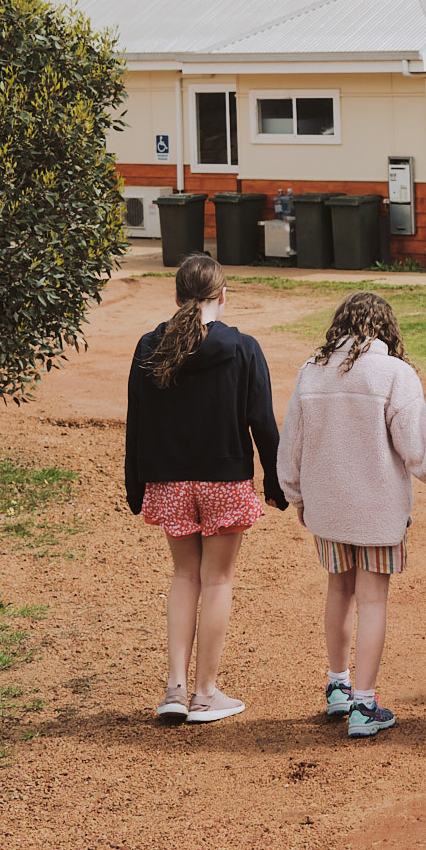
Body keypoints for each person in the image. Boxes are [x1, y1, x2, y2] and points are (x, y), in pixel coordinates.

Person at [277, 292, 426, 740]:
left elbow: (290, 445)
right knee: (372, 601)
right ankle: (365, 704)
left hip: (326, 509)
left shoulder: (311, 372)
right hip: (377, 512)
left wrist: (297, 497)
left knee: (338, 591)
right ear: (386, 329)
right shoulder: (394, 374)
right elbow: (418, 452)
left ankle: (338, 685)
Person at [124, 252, 282, 726]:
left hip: (169, 480)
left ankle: (173, 689)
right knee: (217, 581)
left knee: (183, 578)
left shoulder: (149, 346)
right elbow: (263, 422)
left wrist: (136, 486)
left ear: (176, 296)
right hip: (224, 480)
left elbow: (138, 421)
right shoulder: (243, 348)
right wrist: (276, 484)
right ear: (222, 295)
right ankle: (205, 694)